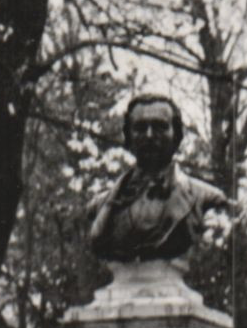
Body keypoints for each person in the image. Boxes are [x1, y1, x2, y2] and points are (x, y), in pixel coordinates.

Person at [88, 94, 227, 262]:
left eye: (160, 127)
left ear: (176, 136)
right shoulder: (100, 205)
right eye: (140, 128)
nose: (149, 135)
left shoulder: (207, 198)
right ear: (128, 137)